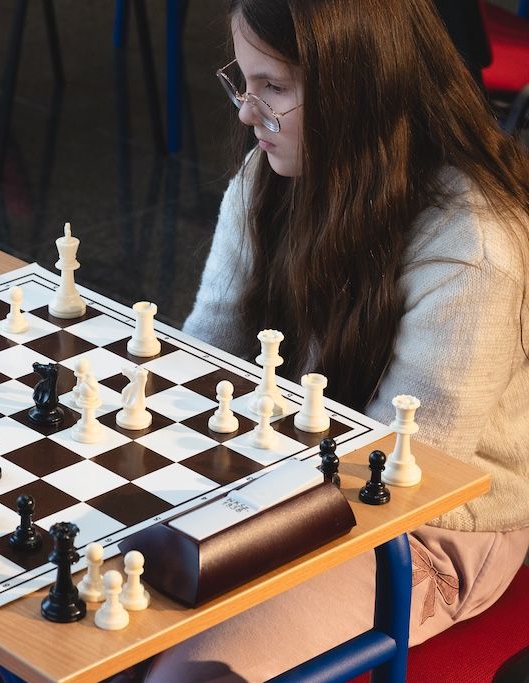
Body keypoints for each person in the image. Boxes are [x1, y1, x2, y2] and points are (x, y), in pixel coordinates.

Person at [143, 0, 529, 680]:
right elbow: (204, 361)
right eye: (242, 80)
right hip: (287, 476)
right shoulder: (267, 177)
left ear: (358, 87)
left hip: (428, 532)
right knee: (84, 617)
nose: (246, 112)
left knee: (185, 672)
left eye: (273, 87)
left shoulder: (474, 247)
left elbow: (397, 481)